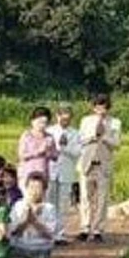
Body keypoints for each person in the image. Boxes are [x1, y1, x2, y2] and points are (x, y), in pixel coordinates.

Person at [77, 93, 122, 242]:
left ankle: (98, 229)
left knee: (102, 199)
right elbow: (80, 140)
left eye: (103, 107)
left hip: (103, 164)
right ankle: (85, 227)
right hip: (87, 162)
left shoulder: (115, 123)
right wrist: (92, 136)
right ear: (93, 107)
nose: (100, 111)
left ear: (108, 108)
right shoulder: (86, 121)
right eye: (97, 107)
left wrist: (104, 136)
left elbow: (117, 144)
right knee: (85, 197)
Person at [49, 104, 82, 244]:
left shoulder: (76, 133)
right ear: (57, 117)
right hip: (51, 171)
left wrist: (65, 147)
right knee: (49, 203)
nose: (64, 121)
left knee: (63, 204)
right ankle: (48, 232)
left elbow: (78, 152)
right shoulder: (49, 131)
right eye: (62, 118)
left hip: (66, 172)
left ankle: (60, 234)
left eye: (67, 119)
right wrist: (56, 147)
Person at [9, 172, 59, 256]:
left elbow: (50, 234)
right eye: (31, 187)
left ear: (44, 190)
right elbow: (13, 232)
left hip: (41, 248)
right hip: (20, 247)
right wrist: (26, 220)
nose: (34, 191)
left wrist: (35, 221)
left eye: (38, 188)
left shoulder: (49, 208)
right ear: (26, 188)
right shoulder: (19, 205)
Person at [17, 106, 57, 187]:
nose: (42, 125)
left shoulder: (49, 137)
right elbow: (22, 156)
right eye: (39, 122)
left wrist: (49, 153)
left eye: (45, 123)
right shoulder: (26, 136)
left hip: (43, 173)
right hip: (27, 173)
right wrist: (38, 152)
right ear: (32, 121)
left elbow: (55, 156)